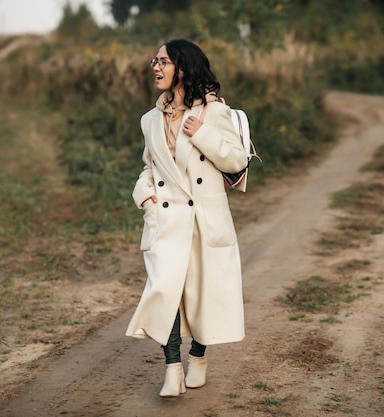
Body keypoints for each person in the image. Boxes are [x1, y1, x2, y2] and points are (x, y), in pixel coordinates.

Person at [125, 39, 248, 398]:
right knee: (166, 291)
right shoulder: (149, 120)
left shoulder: (214, 113)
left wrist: (203, 133)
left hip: (204, 222)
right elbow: (149, 168)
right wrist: (145, 196)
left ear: (183, 67)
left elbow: (236, 161)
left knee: (202, 296)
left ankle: (198, 356)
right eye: (155, 61)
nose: (156, 67)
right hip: (165, 221)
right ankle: (172, 368)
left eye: (163, 61)